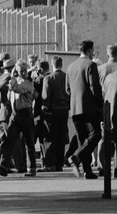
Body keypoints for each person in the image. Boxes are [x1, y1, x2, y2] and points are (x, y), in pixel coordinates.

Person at [66, 40, 102, 179]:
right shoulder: (90, 65)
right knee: (95, 134)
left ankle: (87, 170)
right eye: (92, 50)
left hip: (75, 108)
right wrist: (100, 103)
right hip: (90, 108)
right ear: (89, 50)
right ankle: (77, 156)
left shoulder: (70, 67)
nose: (93, 53)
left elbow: (67, 89)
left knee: (82, 139)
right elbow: (95, 88)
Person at [41, 56, 69, 172]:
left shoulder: (49, 78)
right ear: (61, 64)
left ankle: (50, 164)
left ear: (52, 64)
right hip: (64, 109)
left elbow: (45, 95)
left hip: (52, 110)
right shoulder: (66, 76)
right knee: (61, 137)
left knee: (50, 137)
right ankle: (59, 164)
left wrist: (45, 106)